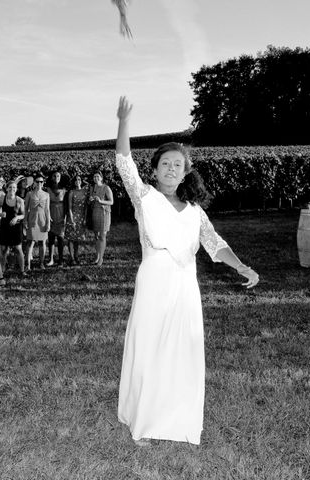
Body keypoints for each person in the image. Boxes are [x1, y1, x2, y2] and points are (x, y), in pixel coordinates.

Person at [114, 96, 259, 447]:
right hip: (154, 282)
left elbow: (214, 243)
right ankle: (143, 422)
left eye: (178, 164)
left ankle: (176, 417)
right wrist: (123, 122)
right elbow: (124, 163)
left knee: (182, 350)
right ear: (156, 169)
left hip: (185, 286)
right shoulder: (144, 197)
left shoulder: (194, 211)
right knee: (150, 348)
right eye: (166, 163)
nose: (172, 168)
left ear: (186, 171)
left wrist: (240, 265)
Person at [0, 180, 26, 276]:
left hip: (16, 227)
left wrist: (17, 217)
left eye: (14, 187)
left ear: (16, 189)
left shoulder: (20, 200)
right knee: (3, 249)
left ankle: (22, 271)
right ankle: (2, 271)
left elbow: (23, 215)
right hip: (4, 227)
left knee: (18, 248)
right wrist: (1, 214)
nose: (12, 189)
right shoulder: (1, 199)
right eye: (10, 187)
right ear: (6, 188)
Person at [24, 173, 51, 270]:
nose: (39, 183)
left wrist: (48, 223)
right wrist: (25, 221)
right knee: (30, 242)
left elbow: (47, 210)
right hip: (32, 219)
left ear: (43, 183)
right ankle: (28, 264)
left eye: (41, 181)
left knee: (42, 242)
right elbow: (26, 209)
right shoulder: (29, 194)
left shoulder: (46, 194)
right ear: (34, 183)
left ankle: (41, 263)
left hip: (42, 220)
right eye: (37, 181)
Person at [88, 171, 114, 266]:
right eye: (94, 176)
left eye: (97, 176)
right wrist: (90, 200)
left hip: (104, 213)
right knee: (96, 236)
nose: (96, 178)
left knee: (102, 236)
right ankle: (97, 256)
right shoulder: (92, 188)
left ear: (101, 178)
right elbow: (90, 201)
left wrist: (101, 201)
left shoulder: (106, 188)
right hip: (95, 212)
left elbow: (111, 202)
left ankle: (101, 259)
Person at [65, 175, 89, 265]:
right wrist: (71, 220)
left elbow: (86, 206)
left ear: (81, 181)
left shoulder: (85, 192)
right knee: (71, 239)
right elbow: (70, 207)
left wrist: (85, 218)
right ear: (74, 182)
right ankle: (72, 258)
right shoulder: (71, 192)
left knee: (77, 239)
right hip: (72, 216)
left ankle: (76, 256)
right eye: (76, 180)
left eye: (79, 179)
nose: (77, 181)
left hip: (81, 217)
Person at [45, 170, 67, 266]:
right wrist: (47, 216)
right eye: (54, 176)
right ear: (51, 177)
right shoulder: (47, 189)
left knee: (61, 239)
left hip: (61, 215)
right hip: (51, 214)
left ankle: (61, 259)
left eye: (58, 176)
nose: (56, 178)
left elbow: (66, 204)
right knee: (51, 239)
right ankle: (51, 259)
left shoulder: (64, 190)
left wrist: (65, 216)